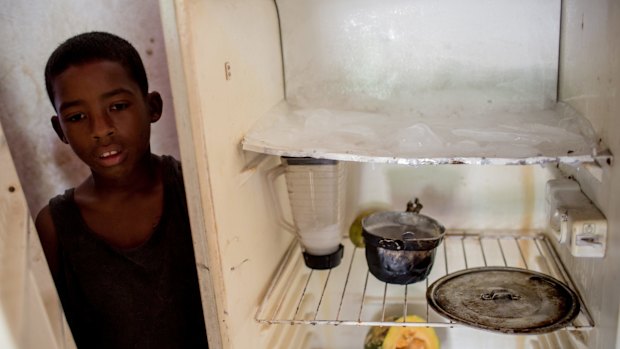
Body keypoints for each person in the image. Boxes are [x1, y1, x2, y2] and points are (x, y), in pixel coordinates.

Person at [35, 31, 209, 349]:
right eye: (77, 117)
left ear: (152, 106)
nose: (100, 129)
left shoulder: (196, 191)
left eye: (117, 105)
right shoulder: (56, 228)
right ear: (61, 129)